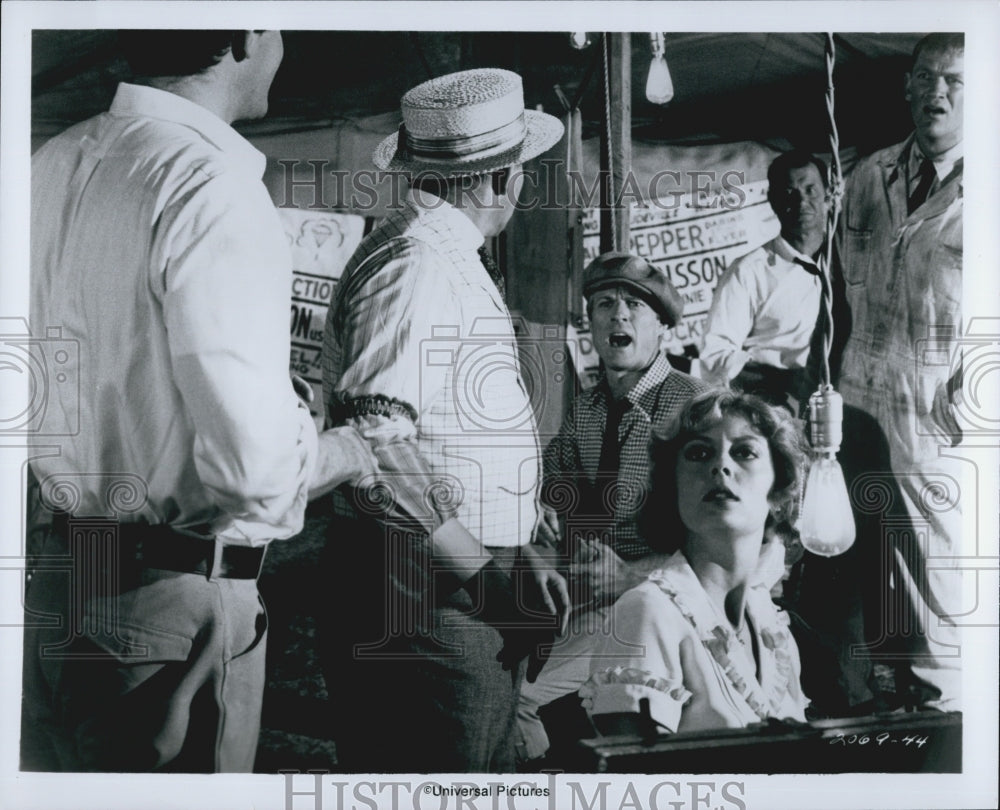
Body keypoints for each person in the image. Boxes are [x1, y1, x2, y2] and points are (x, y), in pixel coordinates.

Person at [23, 30, 375, 772]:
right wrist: (346, 449)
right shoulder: (209, 182)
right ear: (247, 33)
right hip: (167, 601)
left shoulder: (49, 163)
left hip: (56, 581)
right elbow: (252, 470)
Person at [319, 68, 569, 773]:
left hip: (446, 590)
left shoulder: (434, 255)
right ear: (503, 180)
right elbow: (378, 437)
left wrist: (516, 552)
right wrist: (486, 573)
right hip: (425, 600)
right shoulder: (420, 266)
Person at [516, 252, 710, 761]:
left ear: (663, 328)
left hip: (666, 609)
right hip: (590, 602)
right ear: (592, 324)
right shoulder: (588, 408)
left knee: (522, 711)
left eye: (634, 306)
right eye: (604, 304)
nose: (617, 316)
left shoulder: (697, 409)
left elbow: (731, 543)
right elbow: (550, 490)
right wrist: (540, 527)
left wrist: (635, 578)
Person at [835, 33, 964, 710]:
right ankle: (891, 696)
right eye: (924, 77)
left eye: (954, 81)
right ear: (907, 86)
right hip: (860, 403)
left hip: (946, 416)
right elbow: (835, 293)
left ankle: (951, 711)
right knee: (874, 562)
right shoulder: (869, 175)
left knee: (942, 569)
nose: (935, 93)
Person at [580, 390, 809, 735]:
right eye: (699, 453)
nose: (721, 466)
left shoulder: (774, 631)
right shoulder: (647, 612)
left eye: (744, 452)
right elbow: (638, 782)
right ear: (671, 489)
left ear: (779, 493)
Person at [699, 150, 828, 411]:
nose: (802, 201)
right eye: (789, 193)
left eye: (810, 190)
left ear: (828, 194)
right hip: (779, 410)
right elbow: (713, 359)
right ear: (772, 201)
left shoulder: (854, 260)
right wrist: (781, 382)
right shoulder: (748, 271)